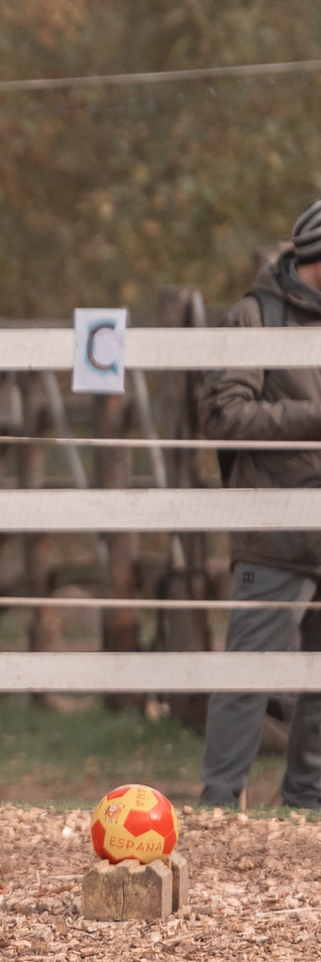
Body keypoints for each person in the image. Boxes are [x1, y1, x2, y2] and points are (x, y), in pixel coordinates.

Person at [197, 199, 321, 810]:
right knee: (247, 677)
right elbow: (224, 414)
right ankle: (220, 805)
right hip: (275, 532)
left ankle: (308, 802)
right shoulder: (253, 318)